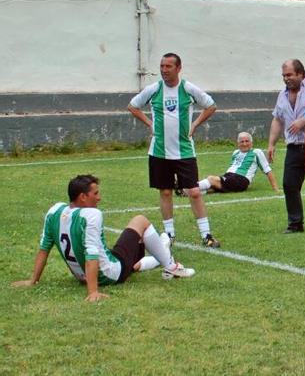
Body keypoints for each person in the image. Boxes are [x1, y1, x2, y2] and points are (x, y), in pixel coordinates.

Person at [12, 175, 195, 302]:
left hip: (83, 275)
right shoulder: (91, 215)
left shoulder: (54, 212)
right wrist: (93, 292)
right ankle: (171, 267)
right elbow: (91, 255)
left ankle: (162, 250)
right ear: (83, 197)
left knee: (132, 260)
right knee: (141, 221)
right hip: (109, 274)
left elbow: (44, 248)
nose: (99, 198)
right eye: (95, 193)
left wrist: (33, 280)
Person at [127, 52, 220, 247]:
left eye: (168, 66)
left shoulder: (187, 88)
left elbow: (211, 106)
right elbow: (133, 106)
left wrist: (195, 124)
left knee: (194, 191)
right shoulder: (153, 89)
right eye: (162, 66)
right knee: (166, 192)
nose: (164, 70)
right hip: (159, 151)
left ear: (178, 68)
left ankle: (206, 235)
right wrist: (150, 124)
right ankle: (169, 235)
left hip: (184, 151)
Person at [268, 59, 305, 234]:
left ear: (301, 73)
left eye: (290, 75)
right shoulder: (282, 95)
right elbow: (278, 119)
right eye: (284, 75)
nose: (286, 79)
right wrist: (271, 144)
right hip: (293, 147)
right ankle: (295, 223)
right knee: (289, 184)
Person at [195, 132, 278, 194]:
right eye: (242, 142)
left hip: (241, 179)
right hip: (229, 176)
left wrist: (275, 188)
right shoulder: (235, 153)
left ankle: (189, 188)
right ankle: (189, 192)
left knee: (212, 179)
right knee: (212, 186)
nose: (245, 144)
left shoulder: (256, 152)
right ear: (238, 143)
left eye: (247, 141)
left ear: (251, 143)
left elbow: (267, 170)